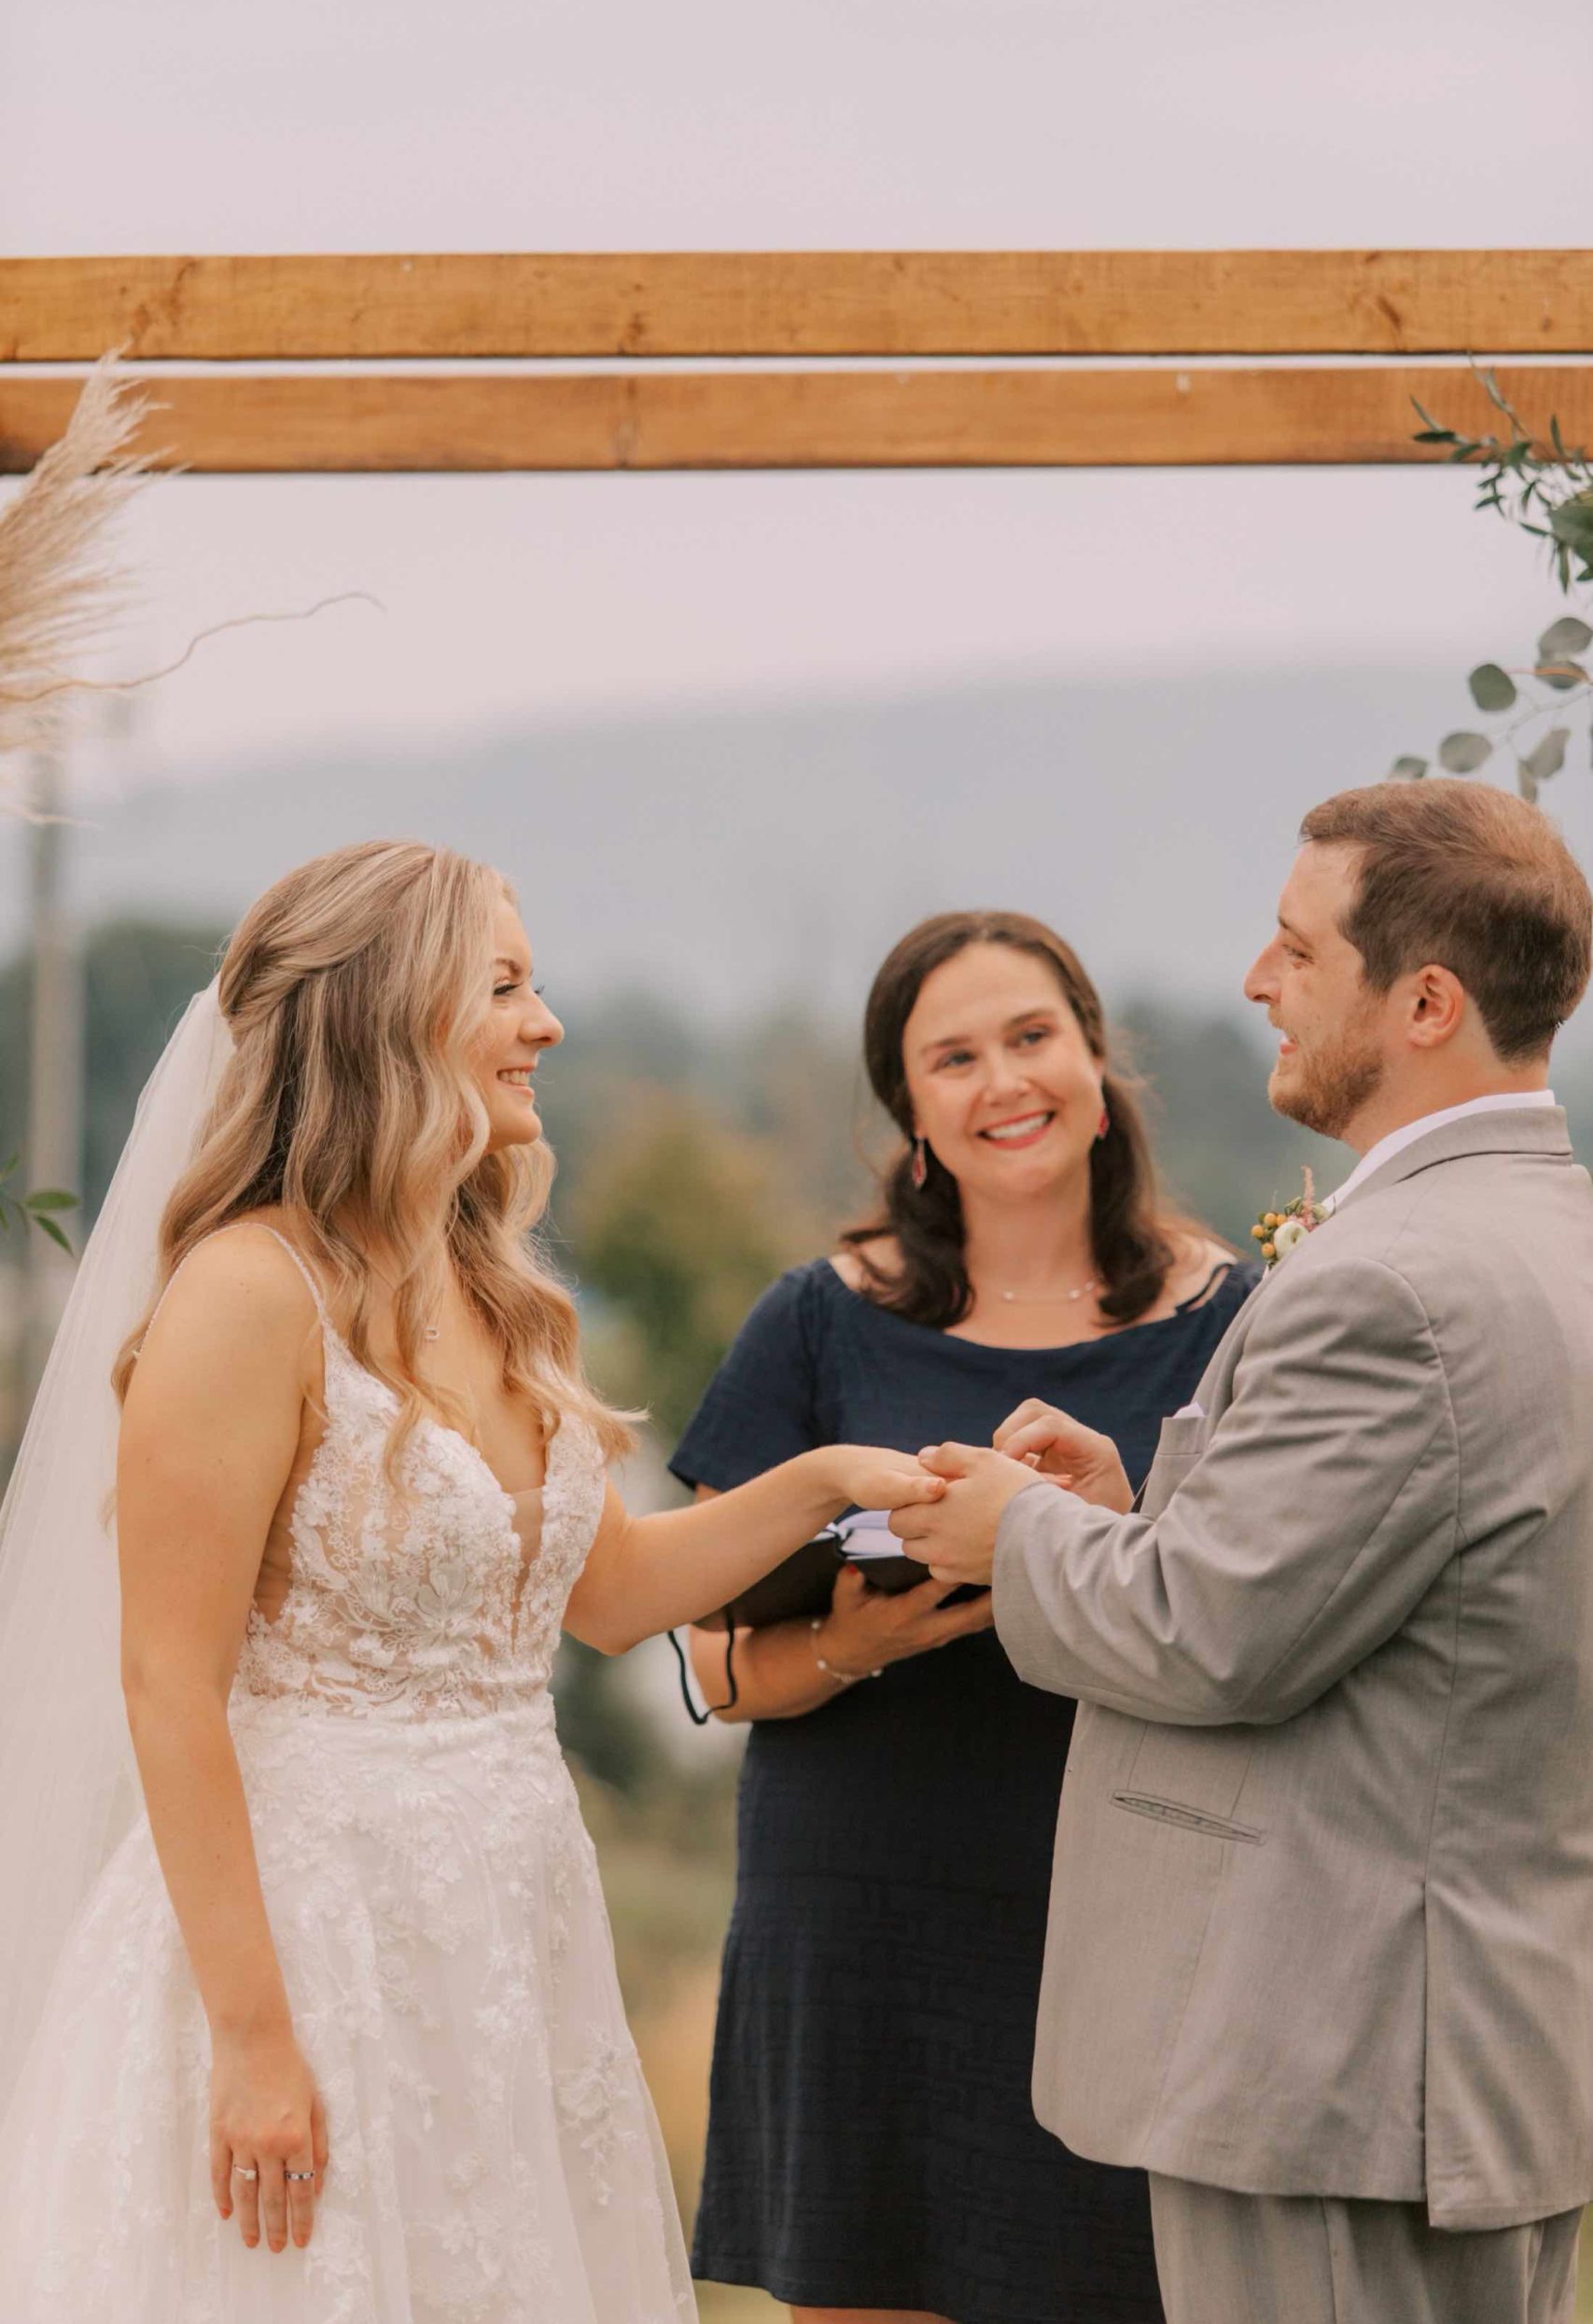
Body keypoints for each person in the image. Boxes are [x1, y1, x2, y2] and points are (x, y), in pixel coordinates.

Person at [0, 839, 943, 2324]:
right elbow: (165, 1682)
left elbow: (612, 1592)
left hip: (505, 1938)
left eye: (536, 983)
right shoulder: (251, 1294)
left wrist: (833, 1483)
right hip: (308, 1944)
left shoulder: (492, 1284)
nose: (545, 1022)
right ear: (387, 1014)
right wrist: (253, 2040)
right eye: (503, 985)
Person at [896, 781, 1593, 2324]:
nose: (1255, 982)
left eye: (1296, 948)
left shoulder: (1390, 1282)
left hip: (1335, 2065)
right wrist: (1132, 1507)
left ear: (1425, 1000)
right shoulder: (1555, 1231)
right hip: (1478, 2044)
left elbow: (1210, 1639)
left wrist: (1021, 1535)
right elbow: (1428, 1582)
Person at [675, 909, 1256, 2324]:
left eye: (1032, 1036)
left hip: (1122, 1914)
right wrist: (847, 1644)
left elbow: (1258, 1614)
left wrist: (1106, 1541)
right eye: (955, 1057)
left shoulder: (1238, 1314)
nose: (1004, 1080)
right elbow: (701, 1651)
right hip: (857, 1911)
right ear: (913, 1113)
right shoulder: (815, 1319)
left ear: (1099, 1062)